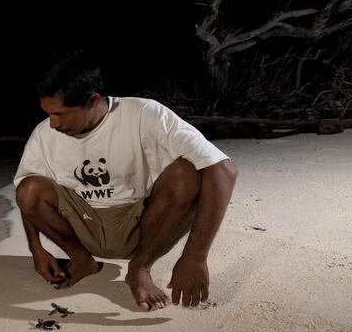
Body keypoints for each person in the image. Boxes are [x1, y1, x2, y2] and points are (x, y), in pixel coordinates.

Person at [14, 53, 238, 311]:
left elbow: (223, 169)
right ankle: (81, 260)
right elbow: (25, 194)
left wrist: (195, 256)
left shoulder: (144, 113)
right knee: (29, 189)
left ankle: (140, 268)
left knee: (187, 174)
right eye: (48, 114)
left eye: (60, 114)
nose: (52, 124)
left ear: (92, 100)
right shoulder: (44, 133)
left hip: (143, 227)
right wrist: (36, 249)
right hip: (83, 224)